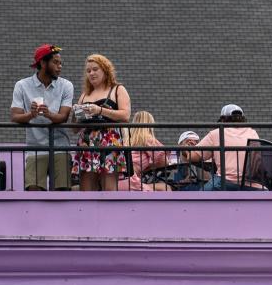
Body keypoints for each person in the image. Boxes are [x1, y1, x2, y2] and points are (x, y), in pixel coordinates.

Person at [11, 44, 74, 191]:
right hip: (35, 148)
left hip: (60, 147)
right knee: (33, 191)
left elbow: (64, 117)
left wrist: (48, 114)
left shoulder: (66, 85)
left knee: (62, 192)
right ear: (42, 63)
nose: (60, 67)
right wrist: (31, 114)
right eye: (56, 62)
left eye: (61, 63)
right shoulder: (21, 85)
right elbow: (15, 116)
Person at [72, 54, 131, 191]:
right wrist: (76, 113)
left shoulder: (117, 89)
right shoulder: (85, 95)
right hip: (87, 143)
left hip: (109, 141)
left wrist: (99, 110)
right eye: (88, 71)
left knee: (109, 189)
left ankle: (110, 213)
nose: (91, 73)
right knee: (86, 189)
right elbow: (75, 129)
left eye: (95, 69)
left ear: (105, 70)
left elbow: (125, 115)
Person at [192, 105, 260, 191]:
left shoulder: (217, 132)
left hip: (226, 182)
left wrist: (185, 148)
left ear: (223, 119)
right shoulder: (253, 133)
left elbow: (193, 156)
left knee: (199, 199)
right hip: (254, 184)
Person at [118, 111, 169, 191]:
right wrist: (149, 167)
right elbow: (164, 161)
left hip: (119, 180)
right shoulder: (147, 139)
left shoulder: (126, 140)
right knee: (165, 188)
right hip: (131, 181)